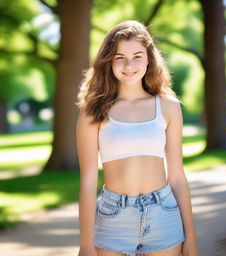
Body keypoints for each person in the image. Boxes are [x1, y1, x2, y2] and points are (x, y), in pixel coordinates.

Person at [76, 20, 200, 256]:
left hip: (164, 213)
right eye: (120, 57)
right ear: (108, 61)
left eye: (137, 56)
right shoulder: (93, 111)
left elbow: (177, 176)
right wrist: (85, 244)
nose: (129, 64)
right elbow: (88, 181)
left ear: (149, 58)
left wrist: (191, 238)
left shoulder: (168, 106)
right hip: (114, 216)